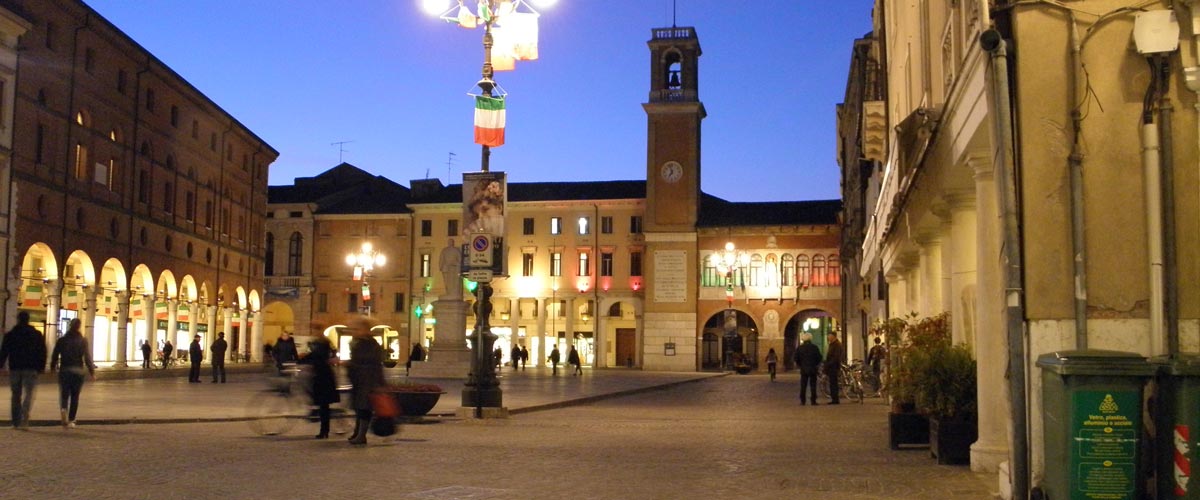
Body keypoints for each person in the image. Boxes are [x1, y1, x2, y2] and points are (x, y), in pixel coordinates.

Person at [0, 311, 47, 429]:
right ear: (28, 319)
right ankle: (25, 419)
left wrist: (1, 365)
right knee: (29, 394)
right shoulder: (36, 334)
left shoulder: (10, 334)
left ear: (18, 319)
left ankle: (16, 422)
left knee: (16, 395)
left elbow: (4, 351)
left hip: (15, 368)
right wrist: (41, 367)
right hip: (31, 368)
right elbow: (42, 351)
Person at [49, 318, 95, 428]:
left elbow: (55, 355)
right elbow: (87, 357)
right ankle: (71, 420)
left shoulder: (62, 340)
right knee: (75, 396)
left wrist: (52, 367)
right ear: (78, 326)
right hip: (77, 371)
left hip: (65, 370)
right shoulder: (82, 340)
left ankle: (64, 409)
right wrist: (92, 371)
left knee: (64, 394)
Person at [345, 319, 384, 446]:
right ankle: (357, 433)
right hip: (361, 380)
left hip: (367, 380)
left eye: (357, 329)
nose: (354, 331)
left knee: (364, 408)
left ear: (365, 330)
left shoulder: (368, 344)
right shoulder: (361, 343)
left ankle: (361, 435)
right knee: (359, 408)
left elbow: (369, 362)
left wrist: (349, 363)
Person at [300, 333, 341, 439]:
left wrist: (300, 360)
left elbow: (315, 356)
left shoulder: (322, 343)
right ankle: (323, 428)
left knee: (324, 405)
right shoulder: (321, 342)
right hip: (320, 375)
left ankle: (324, 430)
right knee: (322, 404)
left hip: (323, 377)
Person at [793, 333, 822, 405]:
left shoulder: (800, 348)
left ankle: (803, 400)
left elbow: (796, 358)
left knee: (803, 385)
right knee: (813, 385)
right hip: (813, 368)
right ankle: (813, 400)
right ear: (810, 339)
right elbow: (819, 357)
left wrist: (800, 365)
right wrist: (815, 364)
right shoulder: (814, 347)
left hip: (804, 369)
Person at [824, 331, 844, 404]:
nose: (828, 337)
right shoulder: (832, 344)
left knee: (834, 383)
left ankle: (835, 399)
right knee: (832, 383)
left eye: (829, 336)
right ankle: (834, 399)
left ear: (833, 336)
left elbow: (836, 357)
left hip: (834, 367)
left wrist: (829, 364)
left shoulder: (837, 345)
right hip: (831, 366)